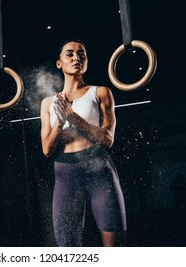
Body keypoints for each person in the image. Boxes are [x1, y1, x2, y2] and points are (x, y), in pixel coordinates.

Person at [40, 39, 127, 247]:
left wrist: (73, 117)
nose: (76, 58)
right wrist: (59, 124)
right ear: (59, 63)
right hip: (65, 175)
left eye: (82, 54)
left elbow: (107, 140)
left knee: (115, 249)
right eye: (69, 54)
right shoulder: (47, 103)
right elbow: (46, 150)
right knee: (67, 249)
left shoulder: (100, 92)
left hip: (99, 171)